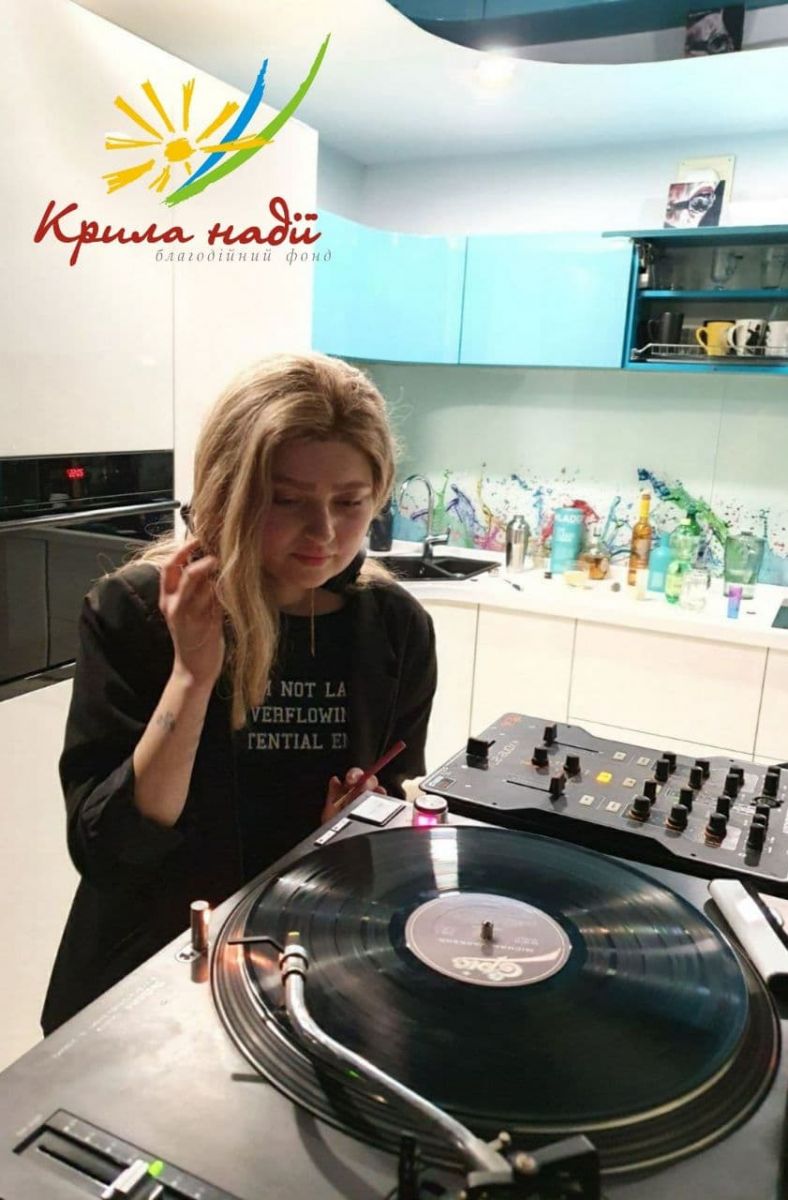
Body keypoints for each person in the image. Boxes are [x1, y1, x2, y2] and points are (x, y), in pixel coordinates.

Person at [42, 352, 437, 1034]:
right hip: (148, 977)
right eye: (287, 500)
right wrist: (192, 677)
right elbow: (109, 850)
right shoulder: (137, 611)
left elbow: (402, 807)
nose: (324, 533)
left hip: (305, 970)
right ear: (229, 492)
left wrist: (359, 826)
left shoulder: (395, 627)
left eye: (349, 502)